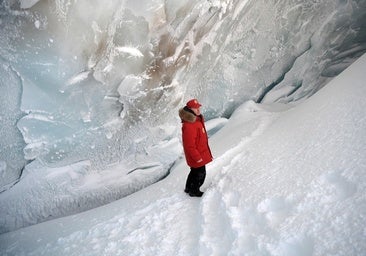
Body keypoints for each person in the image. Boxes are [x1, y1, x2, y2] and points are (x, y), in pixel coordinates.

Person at [179, 99, 213, 197]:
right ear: (189, 109)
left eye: (198, 107)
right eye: (195, 108)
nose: (198, 109)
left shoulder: (195, 120)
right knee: (200, 174)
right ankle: (194, 191)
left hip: (199, 153)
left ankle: (188, 188)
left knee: (194, 172)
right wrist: (197, 158)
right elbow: (189, 146)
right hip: (197, 155)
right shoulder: (190, 125)